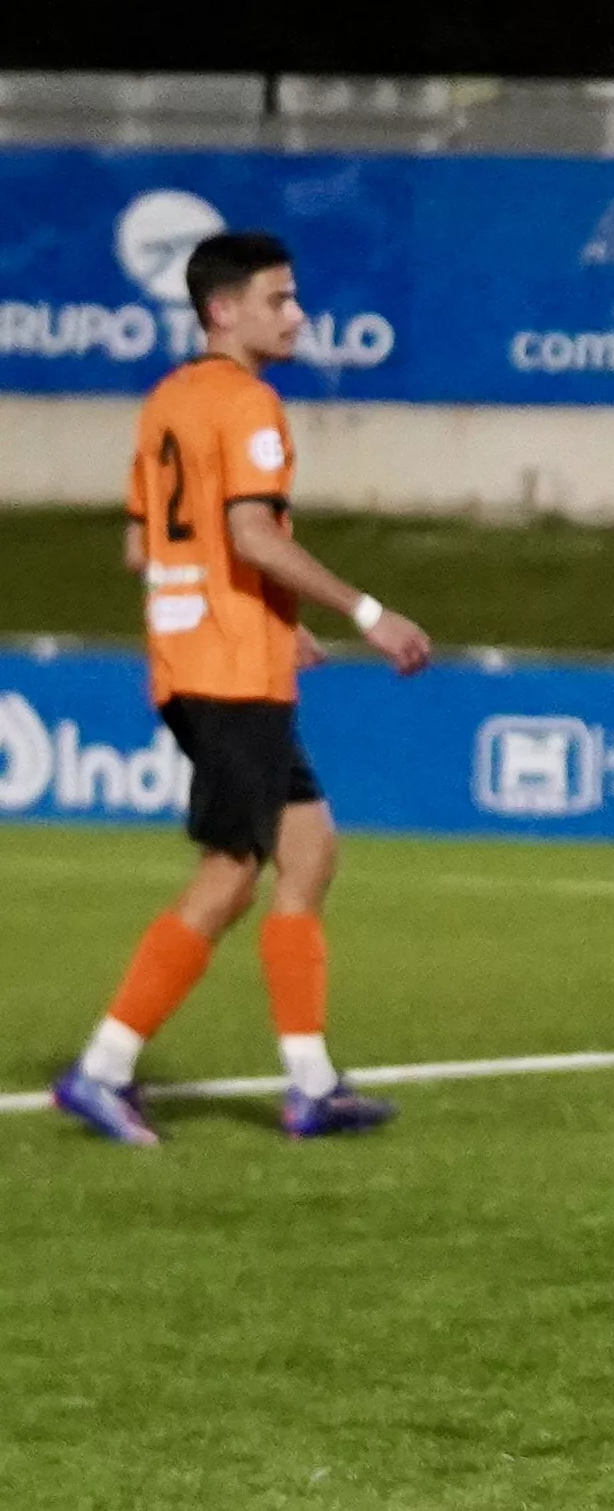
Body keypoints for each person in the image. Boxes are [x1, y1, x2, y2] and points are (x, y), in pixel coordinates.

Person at [53, 232, 434, 1148]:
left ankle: (311, 1084)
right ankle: (102, 1069)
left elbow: (146, 548)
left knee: (309, 853)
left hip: (205, 662)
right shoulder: (249, 403)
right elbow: (253, 535)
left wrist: (266, 620)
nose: (297, 315)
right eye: (280, 299)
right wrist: (365, 610)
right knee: (231, 874)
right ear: (225, 310)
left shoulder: (168, 401)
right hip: (228, 675)